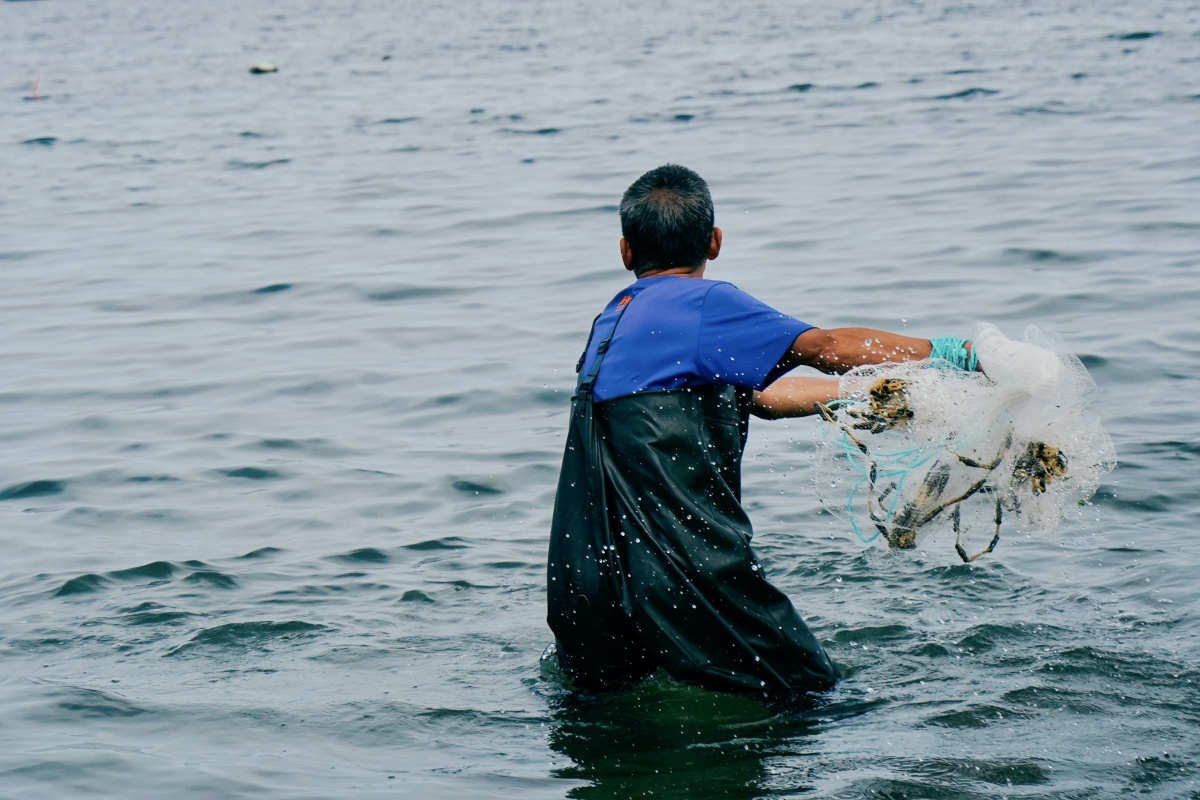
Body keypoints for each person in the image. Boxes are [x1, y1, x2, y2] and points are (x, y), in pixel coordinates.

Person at [546, 164, 976, 699]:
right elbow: (825, 348)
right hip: (687, 583)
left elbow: (756, 400)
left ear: (625, 251)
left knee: (610, 723)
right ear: (714, 242)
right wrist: (951, 356)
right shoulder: (703, 304)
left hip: (589, 592)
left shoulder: (613, 322)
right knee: (816, 702)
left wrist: (866, 394)